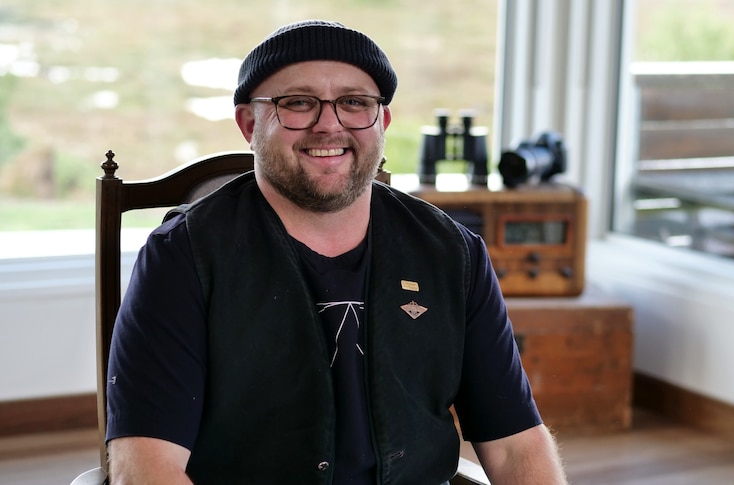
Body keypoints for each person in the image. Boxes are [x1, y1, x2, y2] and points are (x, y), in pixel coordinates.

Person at [105, 19, 568, 485]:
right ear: (249, 124)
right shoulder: (182, 257)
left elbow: (514, 447)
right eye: (298, 103)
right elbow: (147, 467)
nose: (329, 125)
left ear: (381, 122)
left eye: (353, 103)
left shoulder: (453, 254)